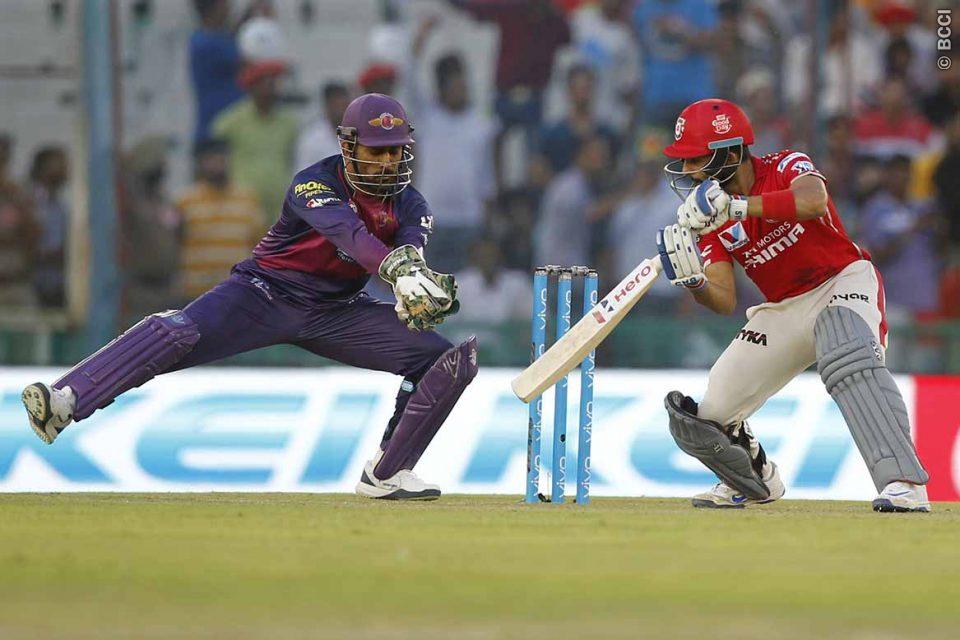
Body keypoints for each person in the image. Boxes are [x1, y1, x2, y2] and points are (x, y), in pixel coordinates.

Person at [21, 94, 475, 501]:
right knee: (175, 333)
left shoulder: (412, 203)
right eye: (377, 151)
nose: (388, 162)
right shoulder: (313, 185)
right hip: (263, 294)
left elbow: (411, 247)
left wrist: (416, 278)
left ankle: (387, 473)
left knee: (445, 360)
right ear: (348, 145)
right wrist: (399, 272)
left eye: (396, 150)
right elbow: (351, 237)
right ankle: (66, 399)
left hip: (338, 311)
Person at [655, 98, 930, 512]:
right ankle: (754, 479)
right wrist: (693, 283)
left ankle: (904, 484)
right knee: (711, 414)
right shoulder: (710, 218)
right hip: (783, 308)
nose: (690, 172)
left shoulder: (785, 165)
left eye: (696, 159)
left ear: (730, 153)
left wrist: (739, 207)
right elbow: (724, 299)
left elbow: (813, 201)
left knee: (847, 353)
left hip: (841, 281)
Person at [174, 139, 264, 302]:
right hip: (196, 295)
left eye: (221, 158)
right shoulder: (185, 201)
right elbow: (176, 245)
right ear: (200, 164)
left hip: (237, 294)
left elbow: (260, 246)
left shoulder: (247, 199)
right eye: (210, 159)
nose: (216, 164)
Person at [188, 0, 245, 143]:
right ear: (216, 7)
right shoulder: (207, 43)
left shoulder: (207, 39)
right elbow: (248, 60)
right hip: (216, 131)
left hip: (227, 127)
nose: (230, 7)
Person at [295, 82, 351, 171]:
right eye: (336, 104)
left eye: (344, 104)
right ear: (327, 105)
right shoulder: (312, 140)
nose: (341, 110)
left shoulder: (357, 135)